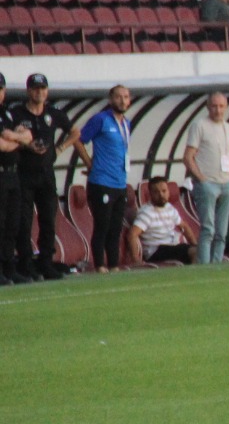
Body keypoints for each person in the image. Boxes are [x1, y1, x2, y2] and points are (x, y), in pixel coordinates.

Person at [8, 74, 78, 280]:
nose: (39, 92)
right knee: (24, 220)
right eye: (36, 88)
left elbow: (75, 132)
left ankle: (46, 262)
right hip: (23, 173)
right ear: (29, 91)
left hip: (46, 174)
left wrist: (60, 148)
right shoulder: (16, 113)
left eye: (43, 88)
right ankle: (25, 263)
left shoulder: (54, 113)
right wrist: (25, 143)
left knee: (49, 218)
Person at [78, 84, 135, 272]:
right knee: (102, 226)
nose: (122, 100)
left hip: (120, 182)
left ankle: (113, 265)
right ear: (110, 100)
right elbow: (78, 139)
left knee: (116, 228)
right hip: (101, 182)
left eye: (126, 97)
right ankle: (100, 266)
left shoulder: (126, 123)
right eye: (118, 97)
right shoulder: (100, 119)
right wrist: (88, 162)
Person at [183, 92, 229, 264]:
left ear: (226, 107)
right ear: (207, 107)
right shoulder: (199, 126)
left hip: (225, 182)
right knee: (208, 229)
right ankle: (204, 266)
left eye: (221, 106)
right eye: (214, 106)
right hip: (208, 183)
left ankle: (217, 263)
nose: (218, 110)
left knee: (222, 231)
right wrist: (202, 179)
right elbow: (188, 156)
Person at [0, 72, 36, 285]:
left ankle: (8, 267)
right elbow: (2, 145)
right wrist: (18, 140)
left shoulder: (8, 113)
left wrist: (12, 136)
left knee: (14, 223)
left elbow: (28, 136)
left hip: (13, 173)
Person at [127, 175, 195, 264]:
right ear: (150, 194)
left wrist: (194, 244)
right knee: (195, 252)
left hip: (172, 247)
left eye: (164, 191)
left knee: (198, 250)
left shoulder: (170, 208)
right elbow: (132, 234)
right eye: (156, 192)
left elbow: (185, 226)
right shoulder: (147, 212)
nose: (161, 195)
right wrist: (136, 260)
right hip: (156, 251)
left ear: (168, 192)